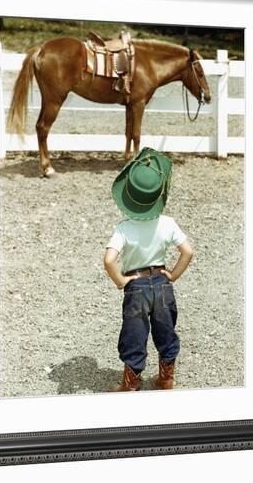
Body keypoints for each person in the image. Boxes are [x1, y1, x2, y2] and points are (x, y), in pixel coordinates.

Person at [104, 147, 193, 392]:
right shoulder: (168, 223)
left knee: (134, 333)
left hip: (137, 287)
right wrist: (173, 275)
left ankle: (130, 384)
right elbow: (188, 252)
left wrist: (121, 280)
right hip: (163, 284)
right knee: (166, 330)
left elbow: (109, 260)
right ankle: (166, 378)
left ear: (129, 196)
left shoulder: (124, 228)